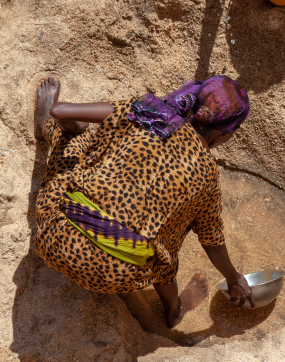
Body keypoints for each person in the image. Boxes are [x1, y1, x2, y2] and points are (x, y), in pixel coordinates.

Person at [33, 75, 255, 328]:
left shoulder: (146, 112)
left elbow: (60, 110)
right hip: (116, 276)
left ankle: (45, 125)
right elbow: (212, 240)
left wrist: (81, 122)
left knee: (75, 144)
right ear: (225, 131)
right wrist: (233, 278)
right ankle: (174, 309)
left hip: (55, 237)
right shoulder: (207, 174)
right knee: (168, 239)